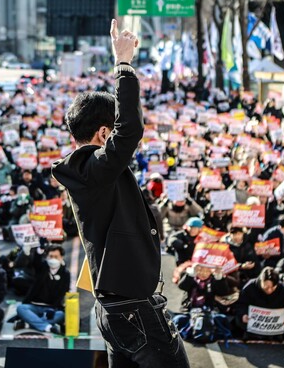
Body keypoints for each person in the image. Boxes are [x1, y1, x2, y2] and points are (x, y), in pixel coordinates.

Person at [52, 20, 190, 367]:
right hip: (136, 311)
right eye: (111, 132)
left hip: (113, 311)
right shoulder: (96, 168)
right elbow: (131, 130)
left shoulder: (85, 172)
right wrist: (124, 65)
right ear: (102, 133)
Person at [14, 243, 70, 334]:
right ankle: (47, 327)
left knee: (61, 314)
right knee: (21, 308)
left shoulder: (65, 274)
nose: (53, 259)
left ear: (61, 257)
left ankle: (29, 323)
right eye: (51, 256)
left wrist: (53, 308)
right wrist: (40, 249)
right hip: (33, 306)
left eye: (56, 256)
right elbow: (36, 261)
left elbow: (63, 293)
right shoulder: (42, 267)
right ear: (47, 257)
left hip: (50, 309)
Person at [236, 267, 284, 342]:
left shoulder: (282, 289)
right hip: (253, 321)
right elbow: (240, 304)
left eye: (273, 288)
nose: (269, 290)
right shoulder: (249, 287)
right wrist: (243, 314)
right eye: (266, 287)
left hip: (274, 323)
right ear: (261, 281)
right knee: (239, 321)